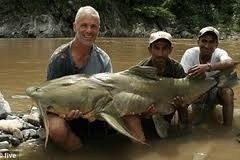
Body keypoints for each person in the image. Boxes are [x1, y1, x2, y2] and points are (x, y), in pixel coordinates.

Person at [46, 6, 112, 151]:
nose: (89, 31)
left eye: (93, 26)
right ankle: (79, 151)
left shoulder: (103, 60)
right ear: (75, 27)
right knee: (57, 130)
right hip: (61, 112)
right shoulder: (59, 58)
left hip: (93, 112)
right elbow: (49, 100)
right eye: (84, 25)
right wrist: (64, 112)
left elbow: (108, 95)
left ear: (98, 29)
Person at [136, 31, 190, 139]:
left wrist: (182, 103)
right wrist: (143, 113)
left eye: (165, 48)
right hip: (148, 105)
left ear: (170, 50)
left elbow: (186, 92)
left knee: (183, 107)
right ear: (150, 49)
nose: (160, 54)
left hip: (170, 104)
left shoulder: (177, 68)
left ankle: (183, 133)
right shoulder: (141, 68)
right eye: (156, 48)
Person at [180, 26, 235, 126]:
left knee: (228, 93)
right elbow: (182, 80)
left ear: (216, 44)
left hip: (215, 89)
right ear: (198, 42)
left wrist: (208, 67)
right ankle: (184, 127)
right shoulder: (190, 54)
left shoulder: (220, 53)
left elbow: (230, 63)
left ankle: (227, 129)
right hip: (196, 90)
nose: (207, 45)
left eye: (211, 42)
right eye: (204, 41)